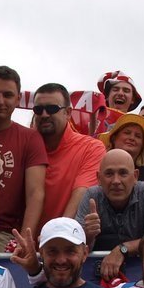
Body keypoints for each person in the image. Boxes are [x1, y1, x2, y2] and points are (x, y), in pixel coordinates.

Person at [76, 149, 144, 282]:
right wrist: (88, 235)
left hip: (143, 278)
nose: (116, 181)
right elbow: (74, 247)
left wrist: (123, 249)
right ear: (98, 178)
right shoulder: (92, 196)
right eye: (109, 174)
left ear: (135, 176)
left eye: (123, 173)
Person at [0, 66, 47, 250]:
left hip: (3, 234)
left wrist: (23, 241)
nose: (0, 101)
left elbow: (35, 193)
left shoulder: (30, 138)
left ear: (18, 99)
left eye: (8, 95)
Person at [34, 82, 106, 230]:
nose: (44, 114)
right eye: (38, 110)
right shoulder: (25, 144)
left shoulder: (91, 148)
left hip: (64, 238)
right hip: (17, 239)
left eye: (52, 109)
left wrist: (56, 234)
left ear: (67, 113)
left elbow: (81, 195)